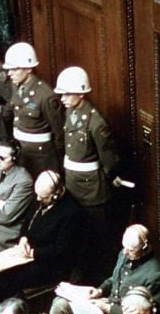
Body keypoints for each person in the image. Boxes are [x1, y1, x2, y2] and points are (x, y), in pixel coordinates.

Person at [53, 65, 123, 279]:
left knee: (97, 238)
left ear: (81, 93)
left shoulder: (95, 123)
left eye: (67, 93)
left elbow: (109, 158)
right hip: (73, 184)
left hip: (92, 191)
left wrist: (112, 176)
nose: (63, 98)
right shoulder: (69, 113)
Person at [49, 223, 160, 314]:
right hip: (106, 303)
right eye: (124, 247)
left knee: (60, 309)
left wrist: (107, 308)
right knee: (59, 302)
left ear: (144, 248)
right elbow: (115, 278)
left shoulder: (154, 274)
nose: (125, 253)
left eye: (131, 250)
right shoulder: (125, 253)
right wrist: (100, 290)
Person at [0, 170, 85, 296]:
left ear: (56, 194)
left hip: (50, 263)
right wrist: (23, 239)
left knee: (9, 278)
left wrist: (32, 253)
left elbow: (61, 249)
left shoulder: (72, 213)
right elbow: (27, 222)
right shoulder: (40, 196)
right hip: (27, 252)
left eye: (43, 197)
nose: (38, 199)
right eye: (37, 195)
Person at [1, 42, 64, 177]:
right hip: (20, 151)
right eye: (9, 69)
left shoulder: (46, 95)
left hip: (40, 156)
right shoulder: (16, 86)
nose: (9, 73)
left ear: (29, 69)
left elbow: (59, 133)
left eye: (14, 69)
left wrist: (58, 159)